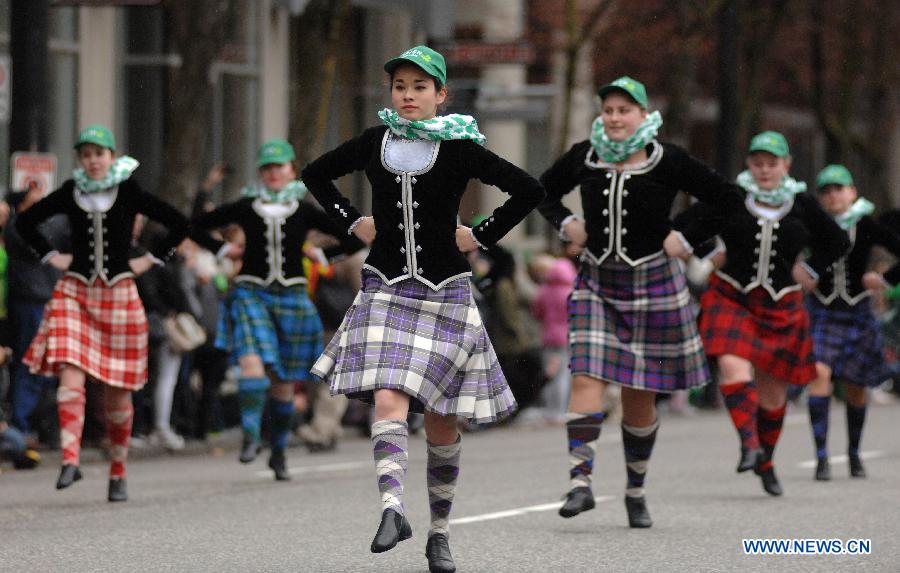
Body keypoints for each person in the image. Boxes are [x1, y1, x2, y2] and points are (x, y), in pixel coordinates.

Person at [302, 45, 544, 573]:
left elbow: (529, 189)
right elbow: (315, 173)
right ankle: (392, 509)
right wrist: (351, 222)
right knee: (388, 394)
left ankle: (439, 533)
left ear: (440, 95)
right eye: (399, 87)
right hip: (386, 288)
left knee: (440, 420)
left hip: (447, 293)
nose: (407, 96)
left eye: (418, 87)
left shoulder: (459, 148)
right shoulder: (374, 143)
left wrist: (480, 234)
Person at [537, 76, 744, 527]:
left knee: (638, 397)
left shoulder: (666, 158)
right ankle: (580, 482)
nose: (614, 118)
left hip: (654, 282)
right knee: (586, 375)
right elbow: (542, 190)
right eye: (608, 110)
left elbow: (729, 197)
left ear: (642, 115)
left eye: (623, 110)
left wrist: (685, 234)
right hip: (597, 280)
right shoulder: (584, 156)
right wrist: (566, 222)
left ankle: (635, 488)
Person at [14, 124, 189, 502]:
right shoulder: (69, 191)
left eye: (100, 153)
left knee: (117, 397)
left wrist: (153, 259)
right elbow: (25, 222)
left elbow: (179, 222)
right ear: (80, 159)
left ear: (111, 156)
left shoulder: (129, 191)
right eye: (87, 154)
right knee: (69, 374)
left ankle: (118, 469)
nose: (93, 161)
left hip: (120, 295)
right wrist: (50, 255)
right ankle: (71, 460)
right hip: (74, 292)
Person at [191, 139, 362, 481]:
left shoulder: (303, 209)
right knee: (251, 365)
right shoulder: (246, 206)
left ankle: (279, 450)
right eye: (267, 168)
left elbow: (354, 237)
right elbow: (195, 224)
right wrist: (224, 249)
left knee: (283, 382)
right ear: (260, 173)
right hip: (251, 293)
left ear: (291, 171)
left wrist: (323, 255)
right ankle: (252, 435)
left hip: (292, 298)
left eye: (279, 167)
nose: (273, 173)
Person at [689, 132, 849, 495]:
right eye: (757, 163)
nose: (764, 170)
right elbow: (689, 225)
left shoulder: (802, 203)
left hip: (781, 304)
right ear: (749, 164)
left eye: (772, 163)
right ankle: (749, 444)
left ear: (786, 165)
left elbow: (837, 241)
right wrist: (706, 252)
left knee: (773, 393)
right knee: (732, 365)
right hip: (733, 295)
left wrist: (811, 269)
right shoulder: (731, 198)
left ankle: (767, 460)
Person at [804, 164, 900, 480]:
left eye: (838, 189)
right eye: (826, 191)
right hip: (822, 310)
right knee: (819, 372)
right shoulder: (813, 224)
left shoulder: (866, 224)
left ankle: (854, 453)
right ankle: (821, 457)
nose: (833, 196)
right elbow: (787, 250)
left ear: (852, 193)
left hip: (858, 310)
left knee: (856, 386)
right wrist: (800, 272)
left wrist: (885, 279)